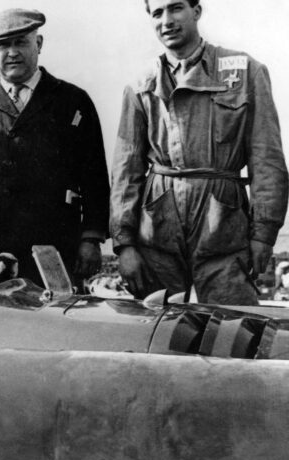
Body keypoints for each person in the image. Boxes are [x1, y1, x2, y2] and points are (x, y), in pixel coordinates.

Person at [110, 0, 288, 305]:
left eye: (176, 8)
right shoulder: (140, 85)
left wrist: (263, 235)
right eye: (157, 12)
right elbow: (126, 169)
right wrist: (124, 244)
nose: (167, 20)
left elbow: (267, 159)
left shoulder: (245, 72)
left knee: (233, 330)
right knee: (159, 332)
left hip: (223, 230)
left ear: (197, 11)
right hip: (157, 232)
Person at [0, 9, 109, 286]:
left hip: (53, 250)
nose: (12, 52)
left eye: (21, 42)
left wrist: (91, 237)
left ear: (38, 44)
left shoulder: (73, 102)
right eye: (3, 45)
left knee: (53, 324)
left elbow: (95, 177)